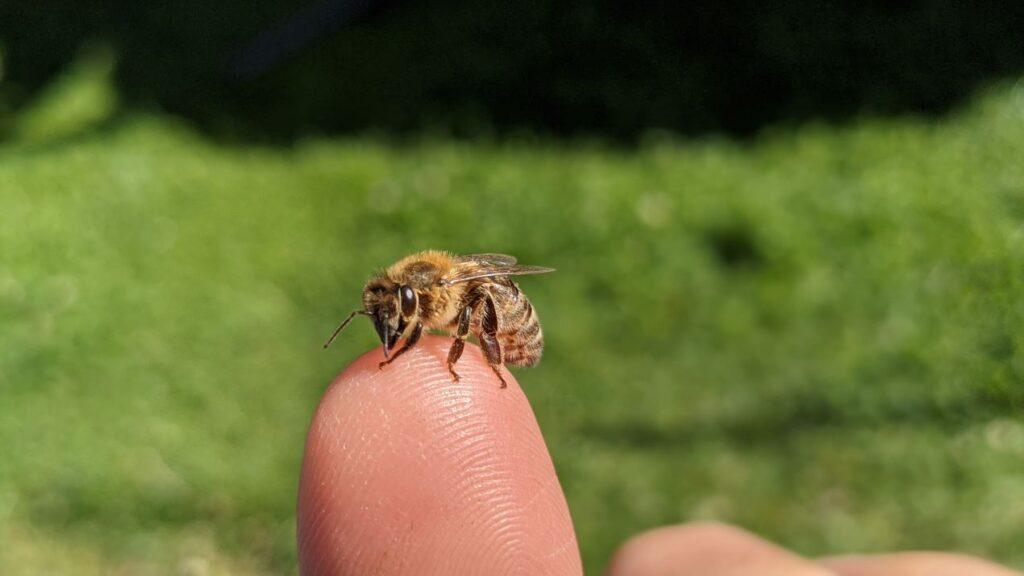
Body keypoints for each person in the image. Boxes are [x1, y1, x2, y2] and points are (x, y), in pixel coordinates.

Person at [297, 336, 1020, 575]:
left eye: (394, 316)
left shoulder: (444, 295)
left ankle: (475, 359)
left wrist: (470, 356)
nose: (392, 329)